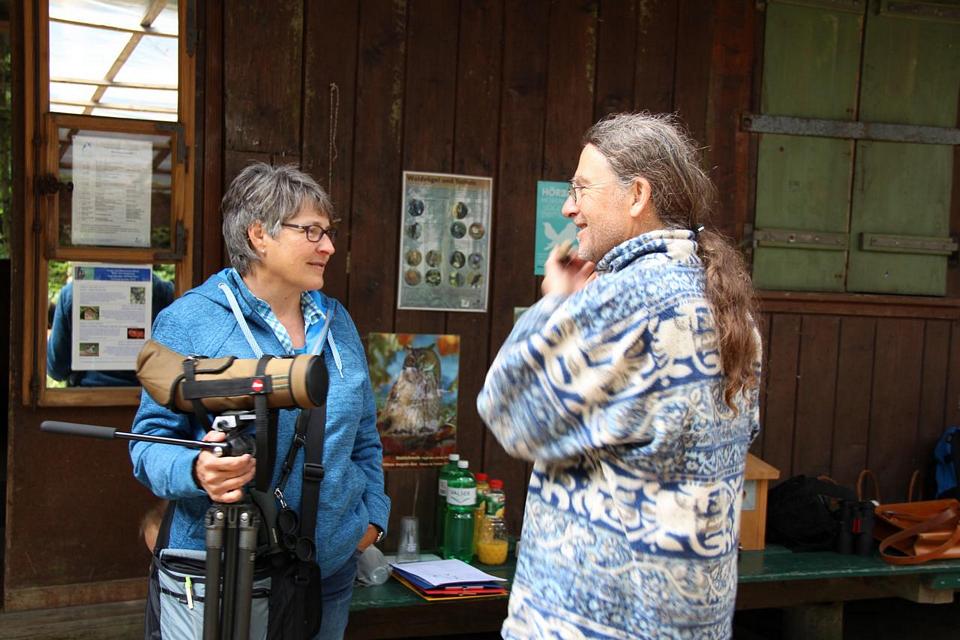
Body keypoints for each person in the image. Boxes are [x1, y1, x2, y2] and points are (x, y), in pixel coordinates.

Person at [477, 113, 761, 640]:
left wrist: (554, 306)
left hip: (600, 623)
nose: (569, 207)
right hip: (688, 620)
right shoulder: (726, 303)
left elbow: (508, 407)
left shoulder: (624, 301)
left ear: (637, 195)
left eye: (581, 188)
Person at [129, 163, 390, 639]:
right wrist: (197, 470)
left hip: (326, 574)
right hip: (223, 578)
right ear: (258, 235)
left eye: (328, 232)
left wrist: (372, 520)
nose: (328, 247)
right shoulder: (190, 321)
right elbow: (147, 446)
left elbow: (365, 439)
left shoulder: (338, 322)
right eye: (311, 231)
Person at [47, 273, 175, 386]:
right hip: (150, 398)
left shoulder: (72, 293)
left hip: (88, 397)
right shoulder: (166, 293)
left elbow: (56, 370)